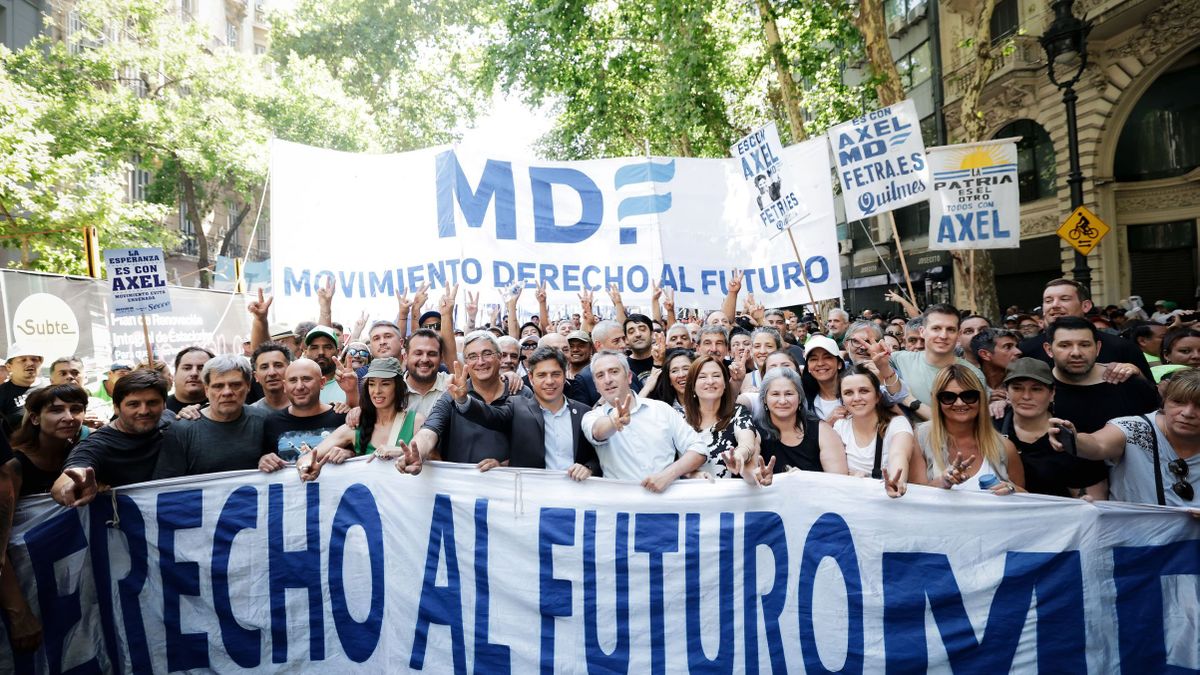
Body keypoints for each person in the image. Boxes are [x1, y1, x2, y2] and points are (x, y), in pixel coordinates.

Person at [1052, 367, 1200, 506]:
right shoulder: (1133, 428)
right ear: (1164, 401)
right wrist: (1074, 440)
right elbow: (1098, 444)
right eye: (1178, 402)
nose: (1187, 413)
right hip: (1136, 532)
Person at [444, 347, 600, 478]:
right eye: (541, 375)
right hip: (530, 502)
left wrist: (589, 467)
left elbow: (599, 456)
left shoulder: (583, 412)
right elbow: (489, 415)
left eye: (555, 374)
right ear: (531, 379)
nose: (549, 381)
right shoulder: (517, 406)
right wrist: (464, 399)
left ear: (565, 375)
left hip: (574, 500)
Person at [580, 350, 709, 491]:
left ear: (629, 377)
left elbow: (698, 449)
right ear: (596, 386)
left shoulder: (662, 410)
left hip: (667, 504)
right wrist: (613, 422)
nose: (608, 380)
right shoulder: (591, 417)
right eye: (600, 375)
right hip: (621, 507)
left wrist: (668, 475)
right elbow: (597, 432)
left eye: (614, 371)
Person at [51, 370, 172, 506]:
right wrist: (71, 487)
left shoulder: (170, 419)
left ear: (164, 405)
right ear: (116, 408)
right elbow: (70, 476)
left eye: (152, 402)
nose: (144, 411)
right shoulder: (97, 444)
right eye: (133, 404)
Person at [410, 331, 532, 466]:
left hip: (509, 483)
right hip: (460, 484)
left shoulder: (521, 393)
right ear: (466, 362)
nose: (480, 362)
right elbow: (429, 430)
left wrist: (503, 466)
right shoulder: (453, 394)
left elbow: (530, 444)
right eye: (473, 356)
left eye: (487, 354)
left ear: (499, 357)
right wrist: (416, 453)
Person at [995, 358, 1107, 499]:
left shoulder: (1070, 436)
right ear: (1006, 391)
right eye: (1017, 388)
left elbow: (1095, 500)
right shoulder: (993, 427)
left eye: (1036, 389)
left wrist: (1083, 503)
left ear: (1052, 393)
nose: (1026, 396)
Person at [910, 365, 1024, 494]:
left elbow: (1024, 502)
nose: (960, 403)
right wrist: (943, 482)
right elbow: (915, 496)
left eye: (969, 396)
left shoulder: (1005, 447)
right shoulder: (921, 438)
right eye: (948, 397)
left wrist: (1011, 489)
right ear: (936, 400)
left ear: (981, 398)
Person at [302, 357, 423, 477]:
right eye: (372, 384)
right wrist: (305, 467)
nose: (377, 391)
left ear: (398, 387)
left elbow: (436, 461)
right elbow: (309, 457)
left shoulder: (416, 422)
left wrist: (402, 453)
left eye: (385, 384)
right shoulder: (356, 425)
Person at [152, 356, 267, 478]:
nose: (227, 392)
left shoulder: (263, 420)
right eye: (218, 386)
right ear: (206, 390)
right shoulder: (181, 430)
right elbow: (166, 486)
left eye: (235, 385)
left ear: (248, 386)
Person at [1045, 317, 1159, 437]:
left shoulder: (1127, 382)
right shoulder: (1038, 388)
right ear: (1049, 350)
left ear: (1098, 348)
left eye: (1084, 345)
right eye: (1064, 345)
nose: (1076, 353)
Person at [1020, 279, 1152, 380]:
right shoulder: (1026, 350)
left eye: (1064, 299)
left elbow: (1151, 393)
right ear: (1049, 349)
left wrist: (1136, 373)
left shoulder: (1121, 347)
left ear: (1086, 306)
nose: (1054, 305)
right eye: (1048, 301)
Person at [890, 304, 986, 419]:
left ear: (959, 334)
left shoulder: (973, 374)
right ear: (922, 331)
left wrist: (910, 400)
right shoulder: (898, 359)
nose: (943, 335)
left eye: (950, 329)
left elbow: (970, 423)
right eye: (936, 328)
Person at [681, 355, 766, 482]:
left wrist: (738, 456)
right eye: (702, 377)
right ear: (692, 386)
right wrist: (693, 474)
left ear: (725, 384)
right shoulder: (679, 418)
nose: (710, 381)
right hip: (691, 496)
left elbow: (747, 442)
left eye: (716, 375)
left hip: (730, 497)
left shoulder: (738, 412)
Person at [752, 369, 847, 474]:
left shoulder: (823, 431)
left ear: (800, 397)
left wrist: (804, 478)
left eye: (789, 394)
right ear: (764, 399)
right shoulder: (753, 432)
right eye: (775, 394)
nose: (783, 401)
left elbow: (839, 480)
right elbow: (748, 474)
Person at [259, 358, 347, 471]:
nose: (299, 386)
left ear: (322, 382)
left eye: (306, 379)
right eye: (293, 380)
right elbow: (265, 464)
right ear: (285, 386)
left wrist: (349, 454)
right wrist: (264, 461)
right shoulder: (272, 422)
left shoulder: (342, 417)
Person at [833, 365, 915, 481]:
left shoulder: (897, 424)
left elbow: (899, 454)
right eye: (848, 393)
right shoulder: (840, 426)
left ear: (878, 396)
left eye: (864, 391)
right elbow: (835, 473)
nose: (856, 398)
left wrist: (897, 482)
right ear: (842, 400)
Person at [572, 320, 626, 405]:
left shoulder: (628, 369)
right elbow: (582, 415)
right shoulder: (584, 378)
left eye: (623, 339)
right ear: (598, 345)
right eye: (616, 341)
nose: (623, 345)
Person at [303, 326, 358, 405]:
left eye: (327, 347)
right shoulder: (296, 386)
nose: (321, 352)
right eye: (314, 348)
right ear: (305, 353)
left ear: (338, 352)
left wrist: (352, 392)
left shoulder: (350, 383)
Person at [800, 335, 848, 422]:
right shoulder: (803, 401)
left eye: (827, 357)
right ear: (808, 367)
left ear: (839, 364)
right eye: (814, 359)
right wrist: (829, 422)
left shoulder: (855, 394)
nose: (820, 363)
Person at [0, 345, 44, 433]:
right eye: (23, 360)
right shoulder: (2, 393)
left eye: (34, 359)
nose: (30, 363)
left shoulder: (50, 387)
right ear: (9, 367)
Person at [972, 328, 1022, 393]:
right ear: (985, 354)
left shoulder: (1026, 381)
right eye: (1008, 347)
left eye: (1017, 346)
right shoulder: (966, 384)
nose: (1018, 352)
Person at [166, 346, 213, 414]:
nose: (194, 373)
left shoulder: (222, 407)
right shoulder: (160, 407)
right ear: (174, 374)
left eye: (201, 368)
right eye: (187, 368)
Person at [250, 342, 292, 411]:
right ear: (256, 376)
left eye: (278, 365)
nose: (272, 373)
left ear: (290, 369)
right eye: (264, 367)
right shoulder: (252, 414)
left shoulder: (307, 407)